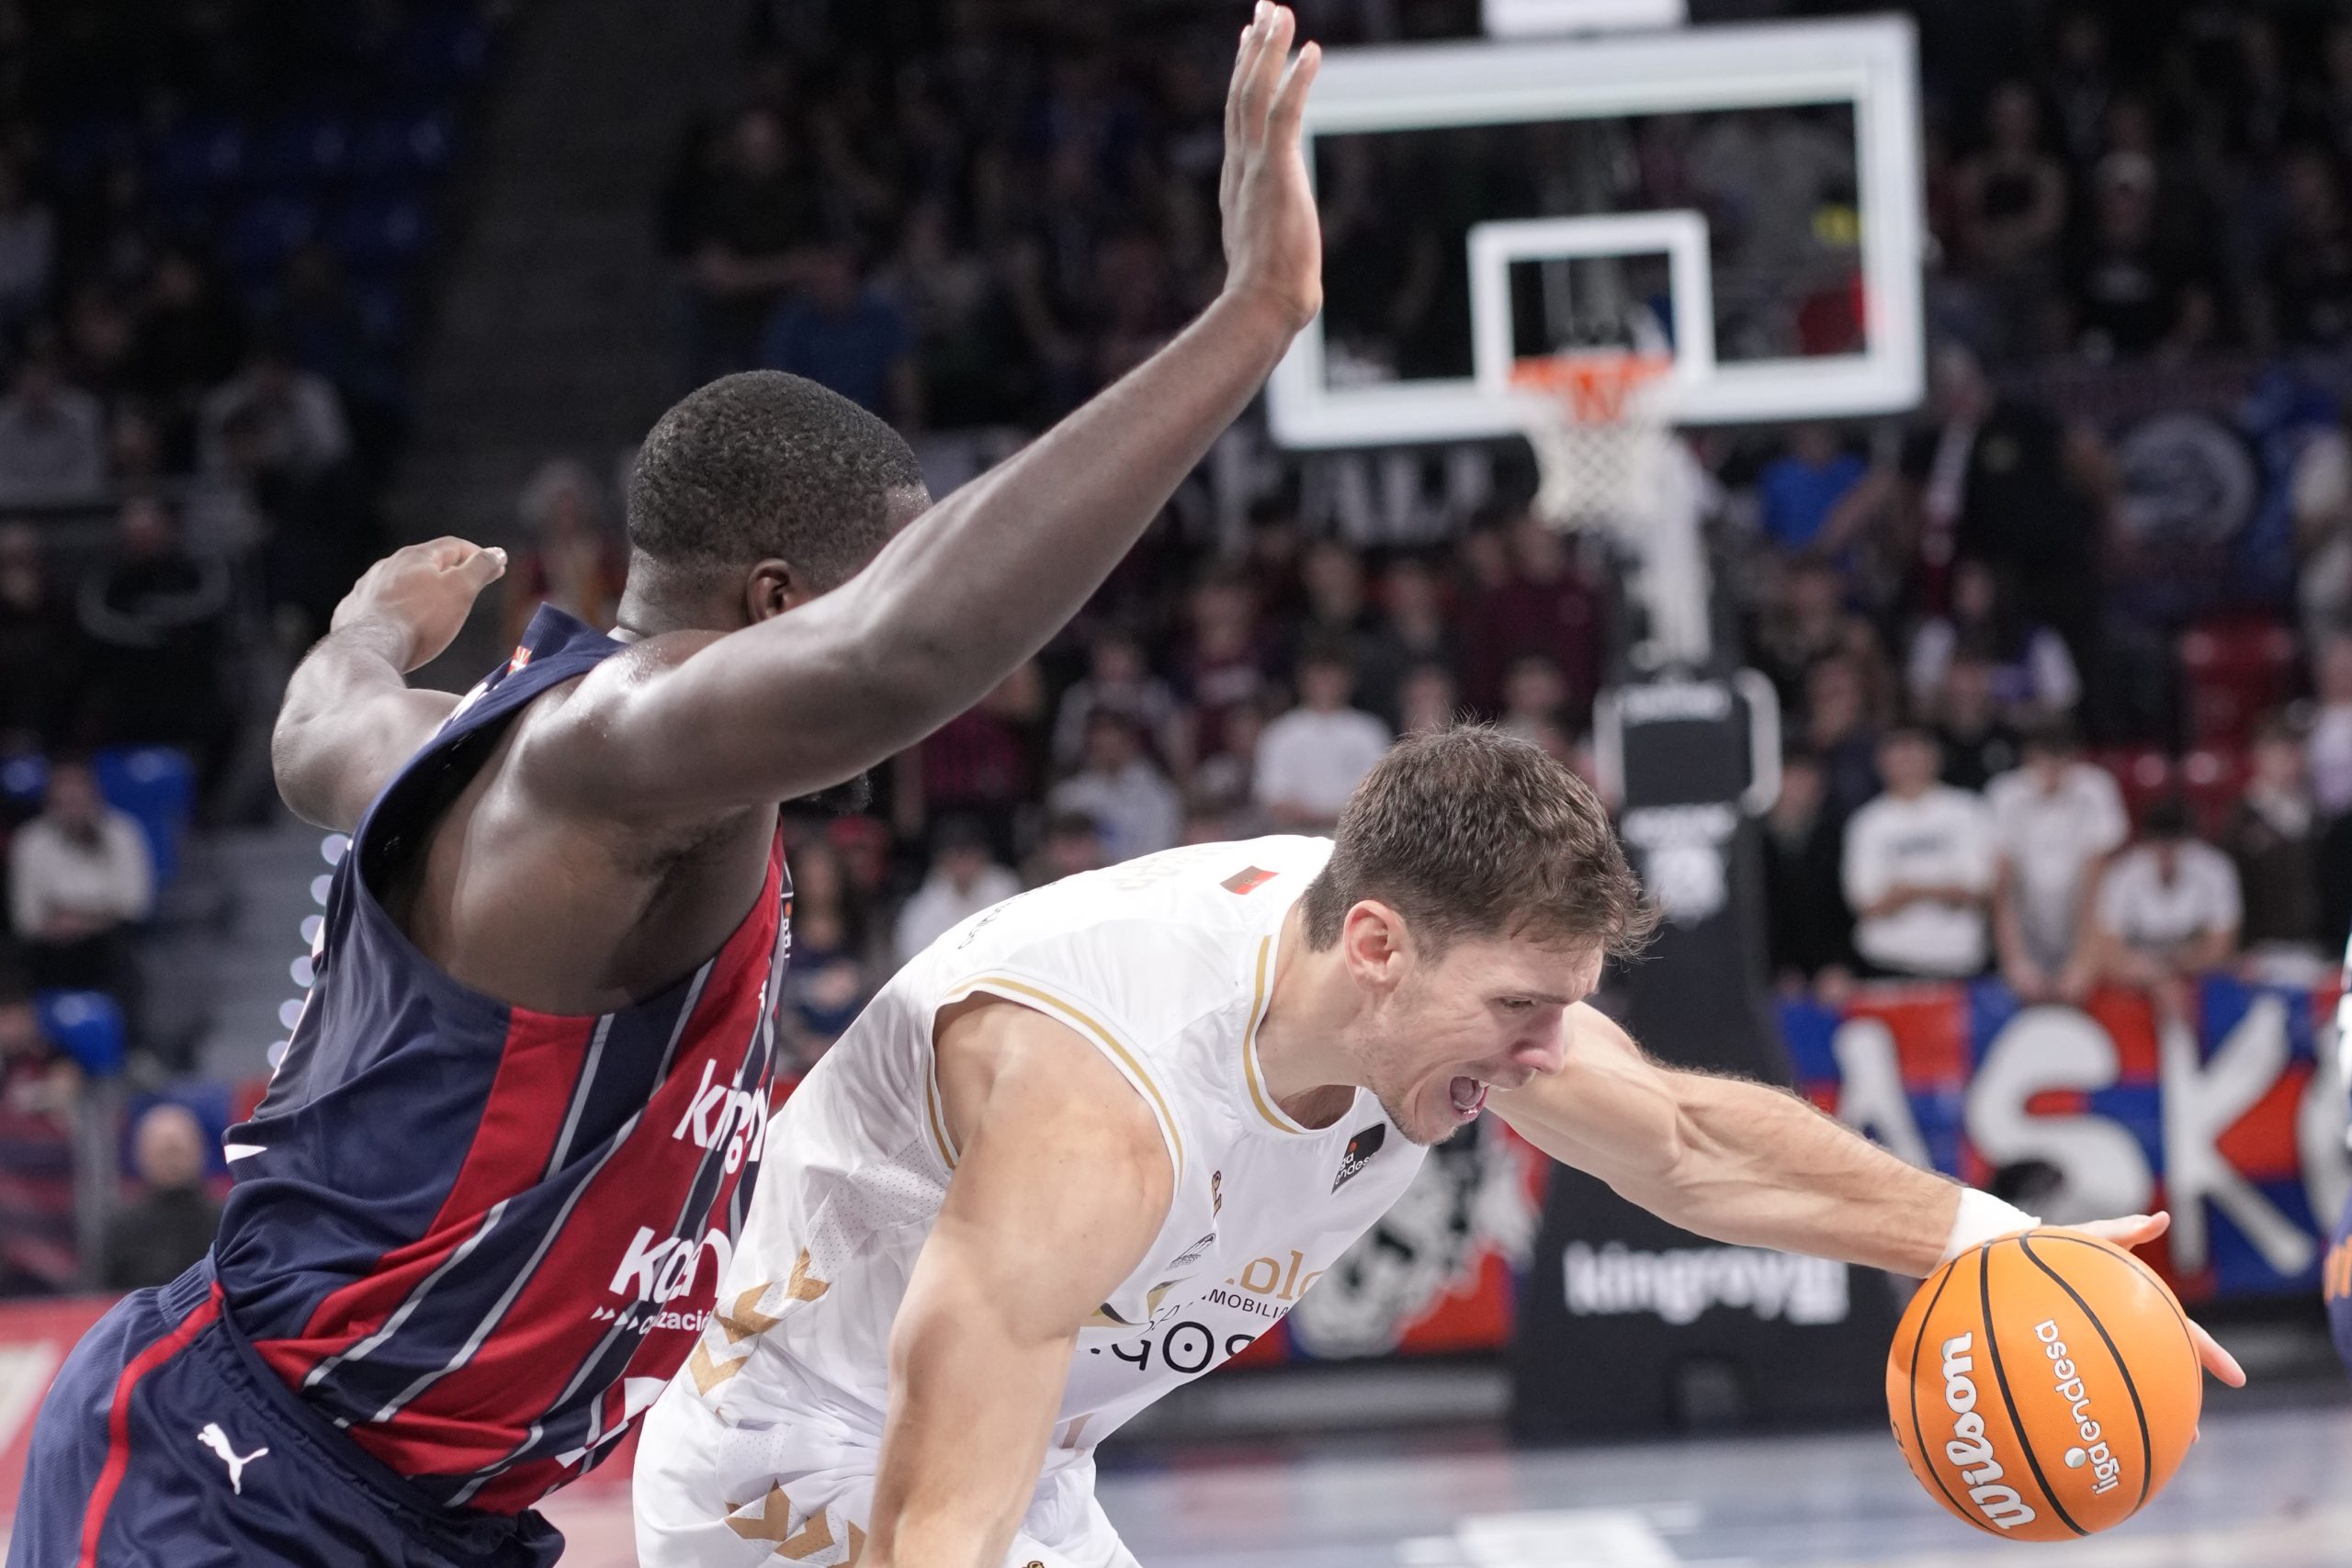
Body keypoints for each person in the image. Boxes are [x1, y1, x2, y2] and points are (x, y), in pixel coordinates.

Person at [8, 16, 1327, 1564]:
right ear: (775, 604)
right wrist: (1252, 315)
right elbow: (906, 653)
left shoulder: (512, 746)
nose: (899, 646)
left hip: (425, 1506)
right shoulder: (612, 756)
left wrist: (371, 616)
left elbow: (318, 734)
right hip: (242, 1484)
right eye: (859, 588)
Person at [632, 727, 2241, 1568]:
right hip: (809, 1462)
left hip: (1019, 1458)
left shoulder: (1410, 983)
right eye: (1527, 1011)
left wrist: (1988, 1235)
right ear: (1384, 946)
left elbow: (1685, 1142)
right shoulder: (1098, 1111)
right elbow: (929, 1529)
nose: (1549, 1057)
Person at [1984, 721, 2127, 1001]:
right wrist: (2016, 961)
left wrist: (2085, 961)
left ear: (2073, 759)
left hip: (2081, 926)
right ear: (2029, 758)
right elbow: (2003, 887)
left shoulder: (2096, 789)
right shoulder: (2004, 794)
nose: (2052, 771)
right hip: (2029, 925)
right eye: (2043, 760)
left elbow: (2098, 883)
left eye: (2060, 760)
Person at [1840, 725, 1996, 979]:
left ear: (1934, 756)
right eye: (1899, 753)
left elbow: (1979, 889)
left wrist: (1905, 891)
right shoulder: (1867, 823)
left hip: (1959, 966)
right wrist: (1943, 887)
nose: (1908, 763)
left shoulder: (1968, 810)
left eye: (1916, 752)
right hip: (1886, 966)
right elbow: (1868, 903)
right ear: (1882, 761)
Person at [8, 758, 153, 997]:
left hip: (109, 939)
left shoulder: (124, 833)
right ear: (49, 803)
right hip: (49, 946)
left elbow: (135, 903)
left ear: (95, 798)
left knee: (121, 957)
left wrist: (84, 922)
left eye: (79, 801)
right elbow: (26, 916)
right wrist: (59, 926)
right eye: (64, 802)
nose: (73, 810)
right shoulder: (30, 840)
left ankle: (122, 1029)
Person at [2081, 796, 2243, 1010]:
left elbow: (2221, 947)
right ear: (2147, 844)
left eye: (2174, 846)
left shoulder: (2215, 869)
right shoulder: (2123, 874)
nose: (2166, 856)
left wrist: (2176, 971)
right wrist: (2155, 979)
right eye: (2159, 846)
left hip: (2196, 975)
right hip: (2139, 977)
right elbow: (2108, 951)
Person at [1253, 643, 1392, 832]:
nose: (1326, 682)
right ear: (1303, 678)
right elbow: (1274, 799)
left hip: (1356, 840)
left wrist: (1327, 817)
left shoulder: (1369, 731)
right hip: (1293, 838)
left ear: (1348, 679)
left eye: (1333, 675)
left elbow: (1379, 798)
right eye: (1319, 674)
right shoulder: (1281, 733)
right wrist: (1327, 816)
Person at [99, 1102, 223, 1292]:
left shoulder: (224, 1220)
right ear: (141, 1155)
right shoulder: (122, 1227)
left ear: (200, 1151)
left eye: (177, 1151)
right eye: (163, 1152)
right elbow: (100, 1298)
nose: (172, 1161)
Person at [1047, 713, 1183, 866]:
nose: (1109, 753)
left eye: (1114, 745)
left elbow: (1162, 848)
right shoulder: (1070, 797)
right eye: (1102, 747)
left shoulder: (1159, 795)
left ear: (1130, 743)